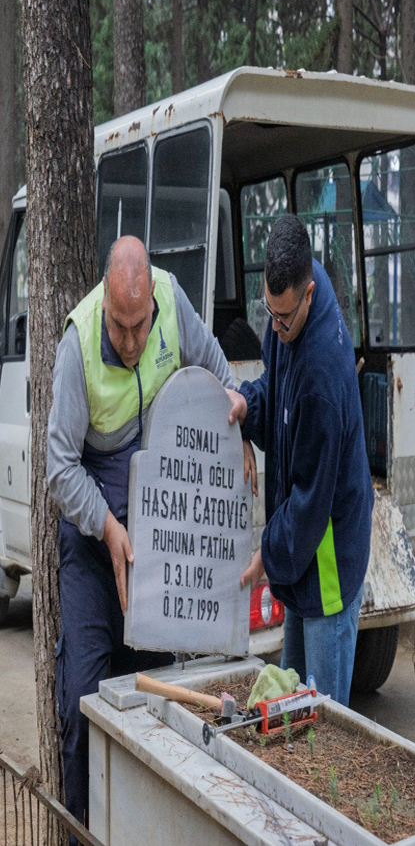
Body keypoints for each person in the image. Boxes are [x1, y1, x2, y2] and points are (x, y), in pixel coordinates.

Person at [47, 236, 244, 828]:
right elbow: (59, 467)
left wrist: (237, 428)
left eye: (140, 327)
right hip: (95, 542)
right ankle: (83, 831)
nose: (131, 342)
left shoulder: (173, 301)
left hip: (157, 541)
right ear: (104, 302)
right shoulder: (78, 344)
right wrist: (107, 527)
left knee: (158, 700)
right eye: (119, 326)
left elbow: (219, 372)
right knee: (82, 701)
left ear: (152, 302)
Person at [234, 214, 373, 706]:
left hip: (327, 558)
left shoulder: (321, 376)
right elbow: (277, 392)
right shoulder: (291, 307)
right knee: (290, 711)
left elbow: (310, 502)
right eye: (269, 313)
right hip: (301, 557)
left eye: (284, 319)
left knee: (323, 725)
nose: (275, 328)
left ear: (309, 293)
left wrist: (265, 556)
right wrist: (247, 405)